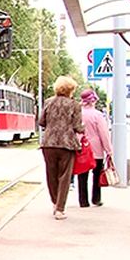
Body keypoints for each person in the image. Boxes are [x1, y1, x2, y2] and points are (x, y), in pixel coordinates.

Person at [39, 75, 83, 220]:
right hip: (67, 144)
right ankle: (60, 209)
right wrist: (83, 129)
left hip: (49, 143)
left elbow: (41, 122)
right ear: (71, 90)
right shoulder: (74, 105)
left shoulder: (48, 102)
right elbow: (77, 126)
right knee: (64, 177)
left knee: (51, 175)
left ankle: (54, 203)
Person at [76, 89, 112, 207]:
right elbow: (103, 133)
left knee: (82, 175)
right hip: (96, 150)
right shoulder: (97, 115)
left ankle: (83, 201)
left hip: (82, 148)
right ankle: (96, 199)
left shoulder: (77, 114)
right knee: (97, 175)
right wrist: (109, 150)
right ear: (93, 101)